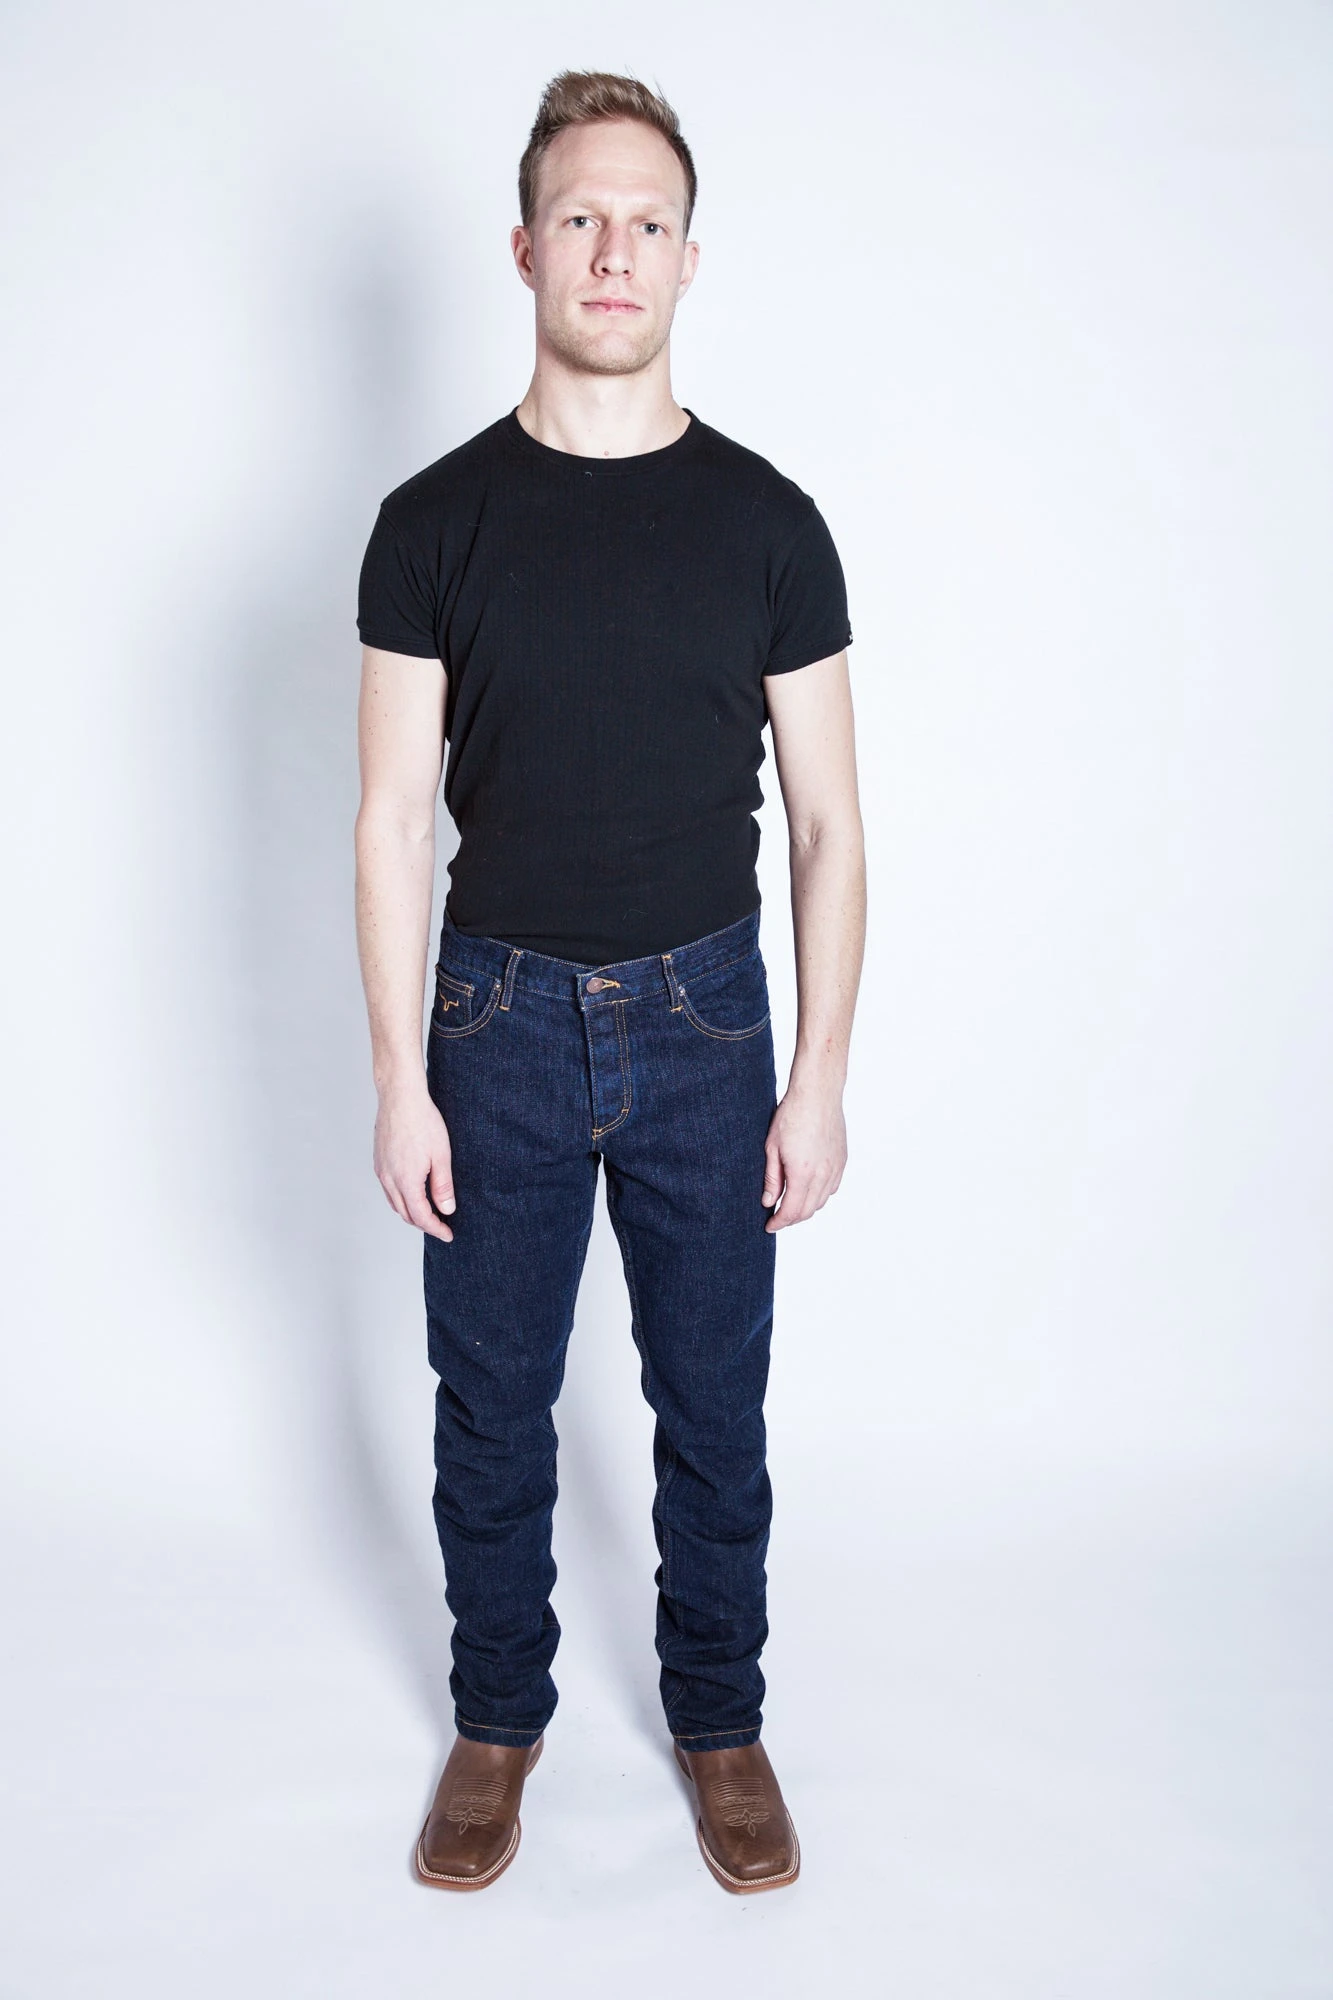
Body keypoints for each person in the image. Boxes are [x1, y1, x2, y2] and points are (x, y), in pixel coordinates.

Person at [353, 69, 865, 1896]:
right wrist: (400, 1078)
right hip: (491, 1021)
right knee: (489, 1402)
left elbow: (829, 826)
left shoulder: (770, 522)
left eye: (648, 220)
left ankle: (720, 1722)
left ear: (690, 258)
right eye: (581, 215)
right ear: (525, 248)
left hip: (709, 1021)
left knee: (712, 1403)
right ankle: (499, 1720)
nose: (614, 249)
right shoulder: (432, 521)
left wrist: (818, 1076)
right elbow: (390, 818)